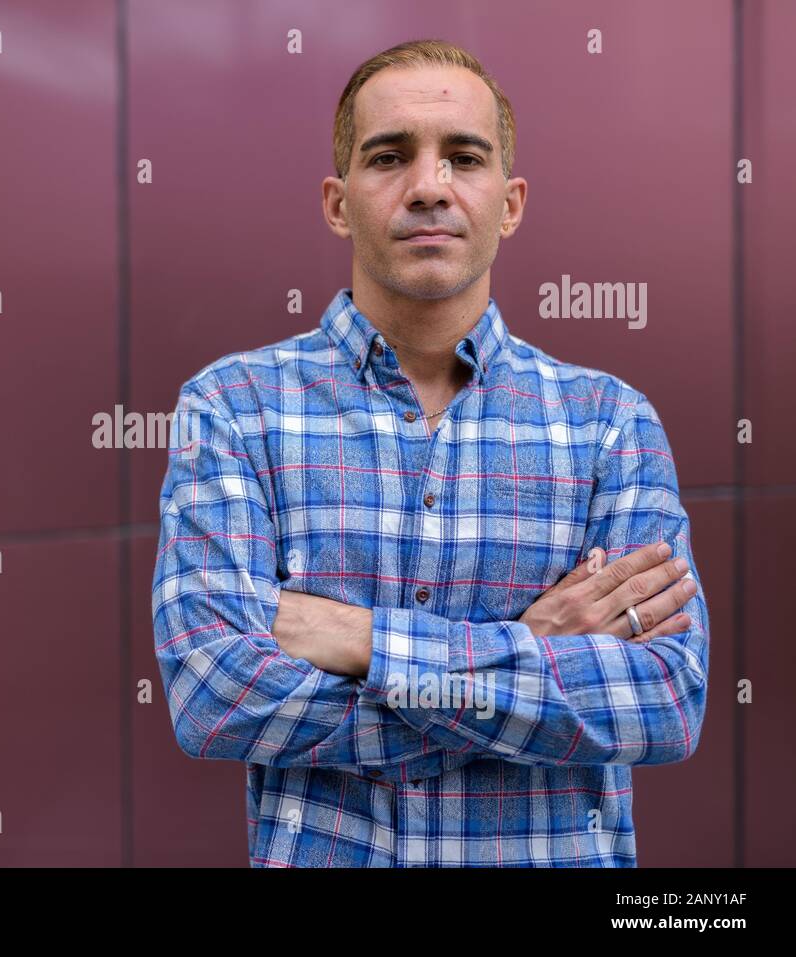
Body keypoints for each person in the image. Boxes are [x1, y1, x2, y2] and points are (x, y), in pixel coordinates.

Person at [150, 38, 708, 867]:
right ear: (338, 203)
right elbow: (215, 698)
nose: (428, 187)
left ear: (510, 202)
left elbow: (662, 703)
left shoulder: (610, 423)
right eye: (390, 156)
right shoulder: (232, 410)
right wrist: (532, 644)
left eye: (464, 157)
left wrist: (364, 640)